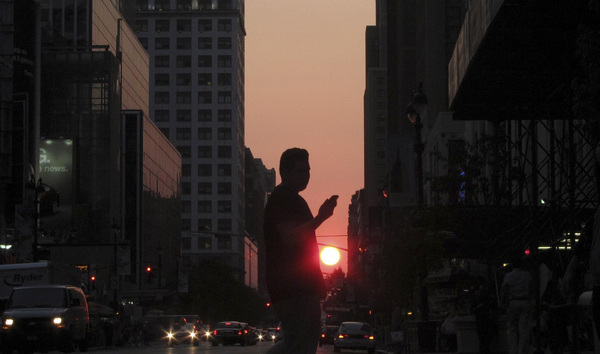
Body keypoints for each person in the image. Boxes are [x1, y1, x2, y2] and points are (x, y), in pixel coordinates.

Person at [264, 148, 338, 354]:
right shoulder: (283, 198)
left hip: (297, 286)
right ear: (285, 173)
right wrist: (320, 218)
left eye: (308, 171)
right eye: (300, 171)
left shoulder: (292, 199)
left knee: (296, 343)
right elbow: (290, 237)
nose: (306, 176)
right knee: (300, 344)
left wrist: (317, 282)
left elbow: (304, 248)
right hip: (293, 287)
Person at [500, 257, 534, 354]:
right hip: (525, 301)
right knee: (524, 329)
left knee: (512, 328)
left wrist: (503, 303)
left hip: (513, 302)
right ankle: (522, 351)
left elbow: (504, 291)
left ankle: (513, 350)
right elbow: (532, 289)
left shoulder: (508, 276)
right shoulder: (527, 275)